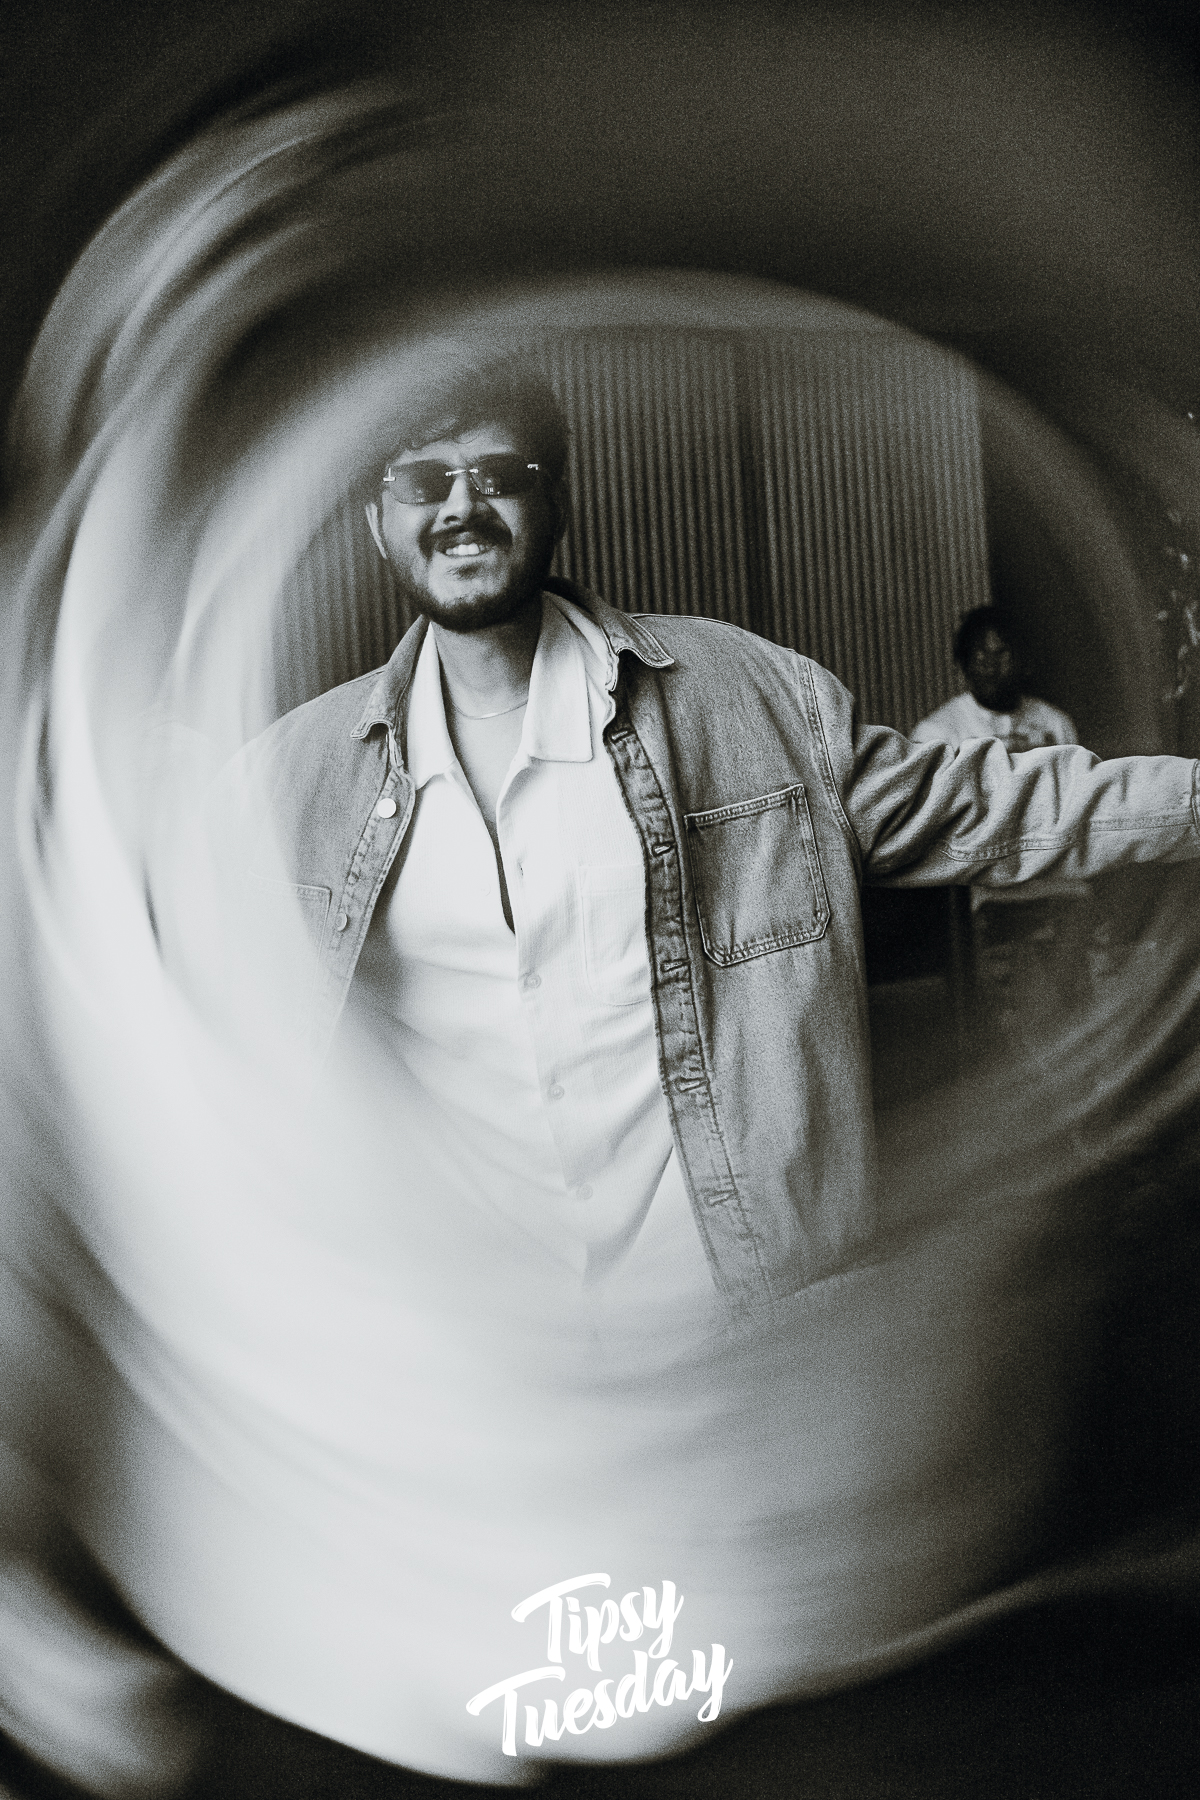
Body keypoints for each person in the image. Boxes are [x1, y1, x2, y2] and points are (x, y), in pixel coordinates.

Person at [162, 348, 1200, 1787]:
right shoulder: (285, 786)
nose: (463, 506)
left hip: (735, 1366)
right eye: (425, 480)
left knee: (753, 1734)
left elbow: (1000, 804)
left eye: (499, 474)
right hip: (478, 1398)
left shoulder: (746, 699)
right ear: (379, 520)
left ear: (555, 501)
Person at [910, 607, 1078, 751]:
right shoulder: (935, 734)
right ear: (964, 663)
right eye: (981, 656)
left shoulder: (1055, 724)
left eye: (1001, 653)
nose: (990, 667)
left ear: (1025, 660)